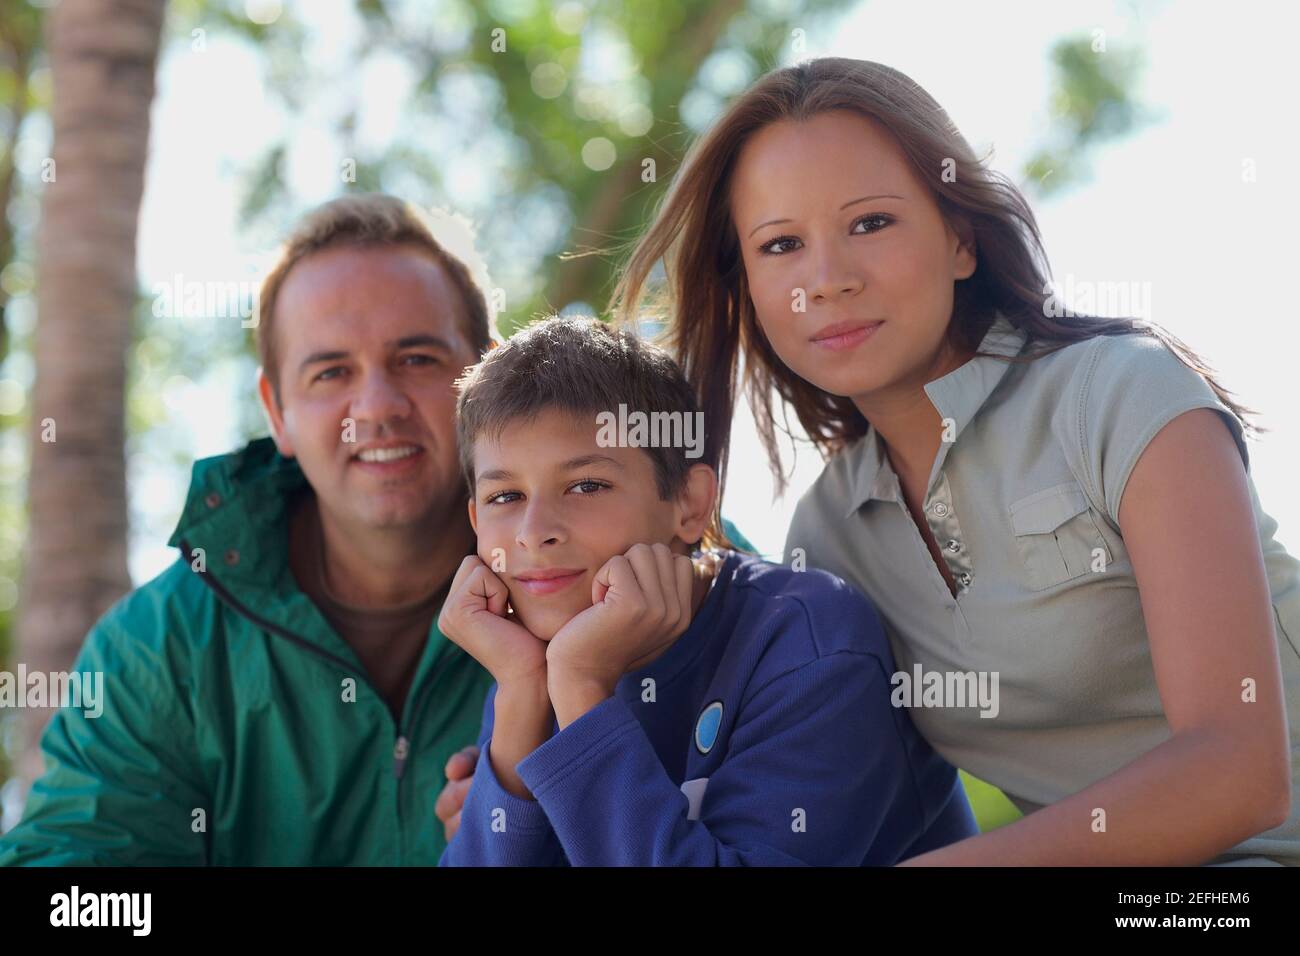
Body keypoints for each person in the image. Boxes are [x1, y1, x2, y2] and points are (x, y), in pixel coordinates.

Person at [603, 57, 1299, 865]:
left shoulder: (1121, 394)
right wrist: (523, 770)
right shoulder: (827, 539)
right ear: (749, 289)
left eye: (870, 223)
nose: (826, 281)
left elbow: (1239, 773)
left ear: (961, 239)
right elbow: (752, 742)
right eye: (782, 244)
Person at [1, 194, 499, 864]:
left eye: (417, 359)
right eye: (331, 372)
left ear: (489, 383)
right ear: (278, 412)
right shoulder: (161, 649)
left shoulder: (583, 599)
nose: (377, 407)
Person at [435, 315, 977, 866]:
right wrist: (522, 695)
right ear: (476, 519)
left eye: (587, 485)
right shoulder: (529, 665)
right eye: (506, 497)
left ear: (691, 505)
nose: (533, 533)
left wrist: (579, 686)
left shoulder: (811, 648)